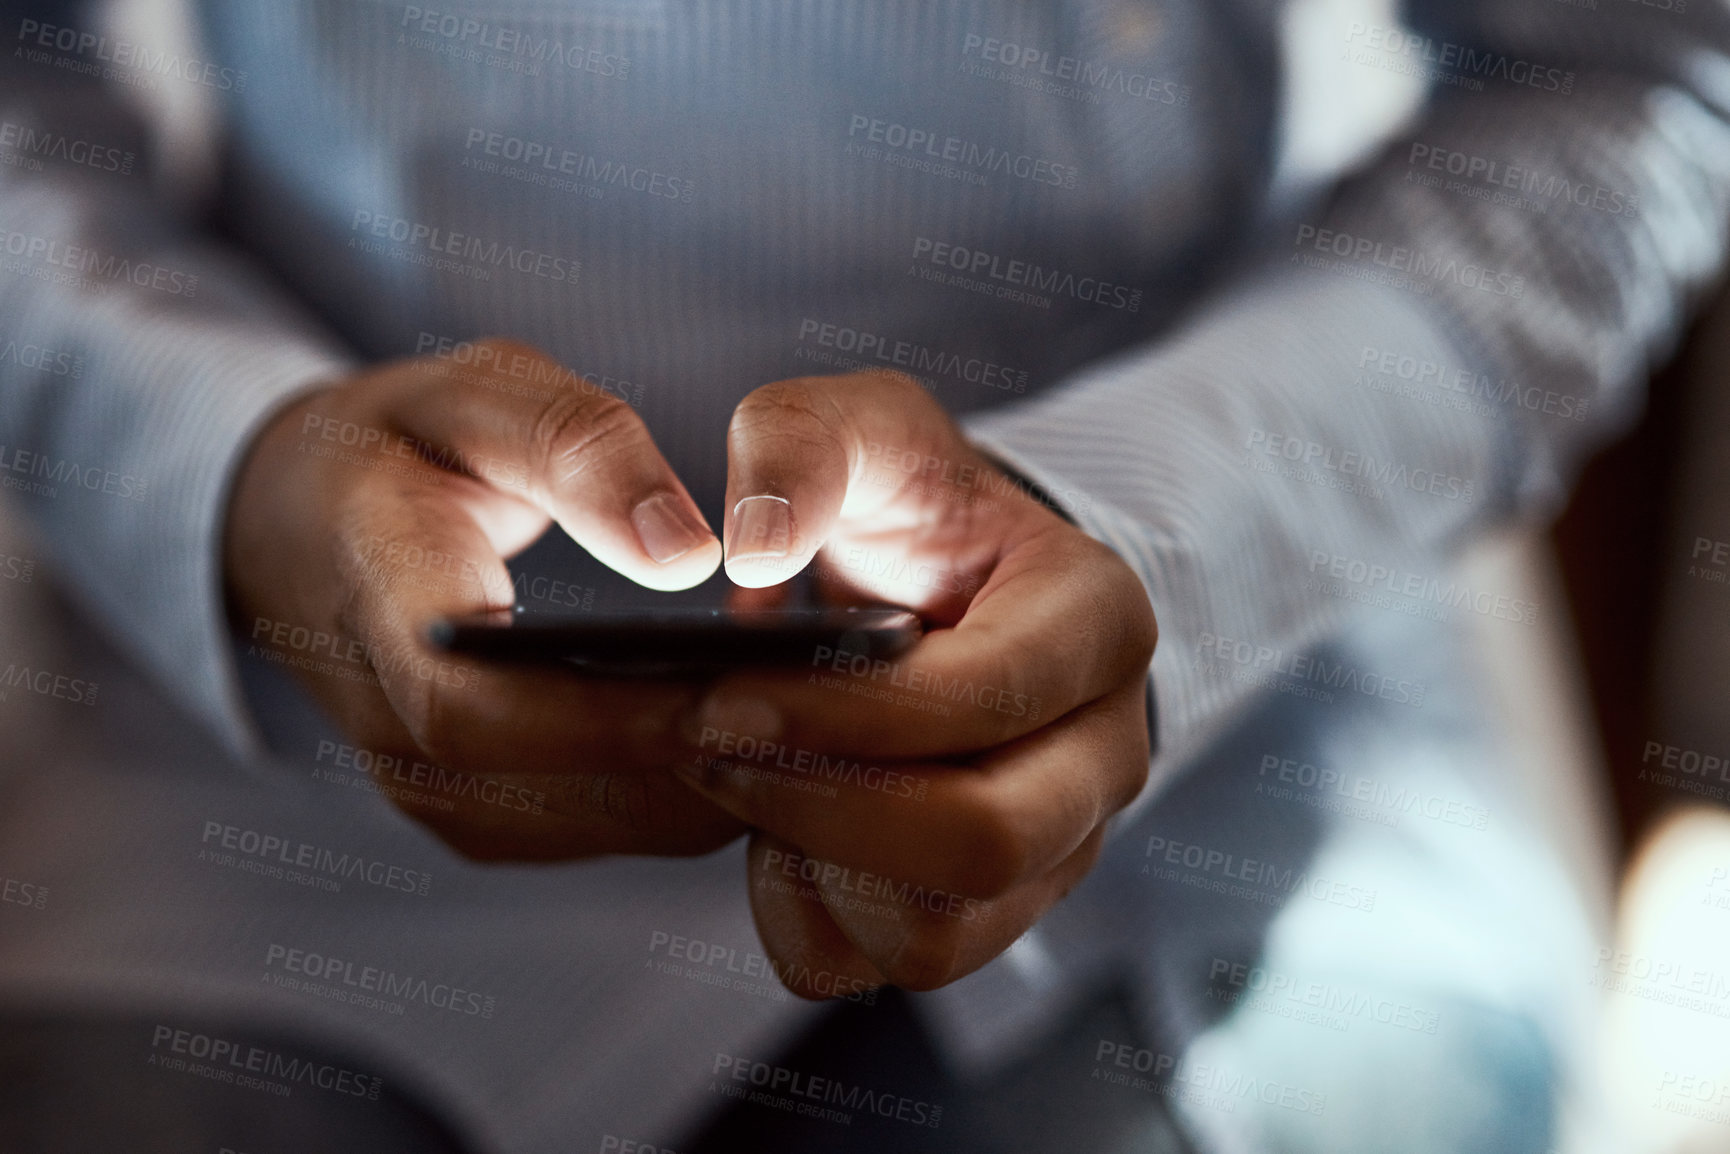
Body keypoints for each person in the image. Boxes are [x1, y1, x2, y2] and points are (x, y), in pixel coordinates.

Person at [0, 0, 1725, 1150]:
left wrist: (1152, 518)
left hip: (1217, 771)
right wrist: (225, 459)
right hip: (267, 812)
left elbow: (1636, 71)